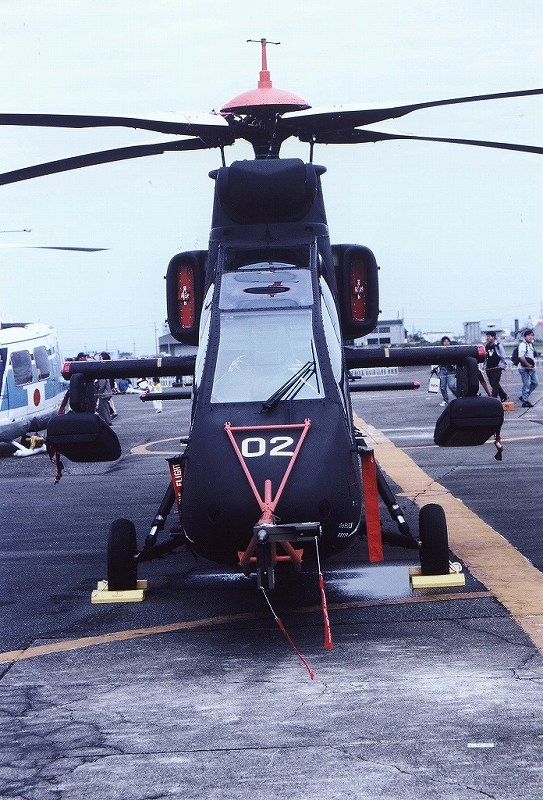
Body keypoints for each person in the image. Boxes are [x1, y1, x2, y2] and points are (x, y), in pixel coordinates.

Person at [517, 328, 539, 408]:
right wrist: (527, 364)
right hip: (524, 368)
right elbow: (521, 356)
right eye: (529, 335)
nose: (531, 337)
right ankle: (525, 401)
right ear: (525, 336)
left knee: (535, 382)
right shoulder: (523, 344)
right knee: (526, 384)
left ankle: (523, 396)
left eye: (532, 335)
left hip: (531, 368)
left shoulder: (530, 344)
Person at [484, 331, 507, 401]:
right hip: (489, 368)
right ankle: (503, 395)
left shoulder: (498, 346)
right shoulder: (486, 346)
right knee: (492, 383)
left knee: (495, 383)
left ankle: (494, 398)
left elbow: (503, 356)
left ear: (493, 337)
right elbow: (485, 357)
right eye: (487, 336)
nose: (487, 338)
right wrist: (484, 366)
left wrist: (503, 365)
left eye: (489, 336)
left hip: (497, 367)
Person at [438, 336, 457, 406]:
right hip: (442, 369)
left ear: (450, 342)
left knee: (452, 385)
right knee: (442, 387)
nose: (446, 343)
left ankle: (459, 396)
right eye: (445, 341)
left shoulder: (453, 350)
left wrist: (454, 365)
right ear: (442, 343)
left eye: (447, 341)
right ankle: (445, 400)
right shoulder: (440, 350)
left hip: (451, 370)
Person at [100, 352, 118, 418]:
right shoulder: (110, 364)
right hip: (110, 383)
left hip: (108, 383)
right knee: (109, 399)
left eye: (101, 357)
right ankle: (113, 411)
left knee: (107, 399)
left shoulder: (105, 365)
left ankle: (112, 412)